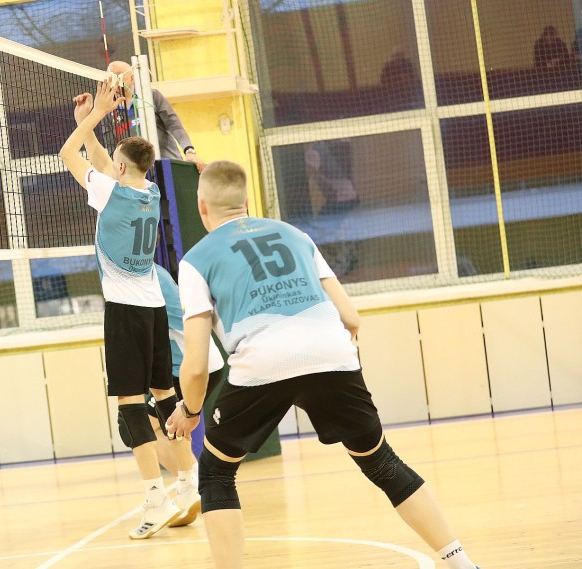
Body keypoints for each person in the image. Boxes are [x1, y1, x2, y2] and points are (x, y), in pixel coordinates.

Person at [166, 161, 481, 569]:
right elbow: (350, 317)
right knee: (381, 461)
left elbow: (195, 366)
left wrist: (190, 410)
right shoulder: (296, 236)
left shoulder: (196, 260)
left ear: (201, 206)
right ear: (246, 201)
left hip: (261, 363)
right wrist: (324, 356)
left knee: (215, 473)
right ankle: (460, 561)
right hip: (331, 352)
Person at [59, 78, 198, 539]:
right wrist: (89, 126)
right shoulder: (149, 192)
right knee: (165, 398)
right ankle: (189, 484)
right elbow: (103, 162)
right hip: (154, 308)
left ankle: (156, 499)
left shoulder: (112, 193)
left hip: (124, 311)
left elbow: (67, 154)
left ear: (122, 168)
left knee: (131, 408)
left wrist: (96, 115)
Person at [144, 263, 226, 528]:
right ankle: (192, 488)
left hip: (188, 367)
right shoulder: (154, 272)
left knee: (149, 429)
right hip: (203, 362)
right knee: (160, 427)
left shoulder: (144, 278)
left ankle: (196, 487)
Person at [106, 60, 207, 173]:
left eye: (120, 75)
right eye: (112, 77)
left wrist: (189, 151)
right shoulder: (107, 110)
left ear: (132, 78)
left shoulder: (151, 96)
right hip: (137, 174)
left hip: (168, 165)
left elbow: (174, 124)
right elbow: (111, 148)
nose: (116, 80)